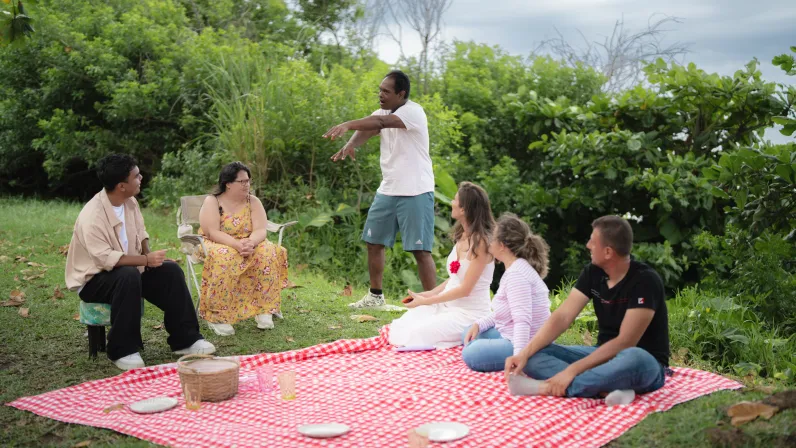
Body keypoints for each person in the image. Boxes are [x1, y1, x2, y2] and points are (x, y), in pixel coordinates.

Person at [65, 154, 215, 371]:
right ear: (121, 185)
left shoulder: (129, 201)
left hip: (129, 270)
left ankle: (186, 340)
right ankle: (122, 349)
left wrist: (149, 257)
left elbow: (140, 232)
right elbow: (105, 259)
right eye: (136, 176)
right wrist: (145, 260)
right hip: (93, 279)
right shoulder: (92, 216)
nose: (141, 178)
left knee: (170, 270)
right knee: (128, 275)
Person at [504, 216, 669, 406]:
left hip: (644, 361)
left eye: (593, 241)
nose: (588, 245)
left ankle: (546, 387)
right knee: (535, 355)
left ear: (608, 252)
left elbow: (625, 342)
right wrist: (524, 353)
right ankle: (611, 388)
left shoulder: (645, 281)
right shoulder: (593, 272)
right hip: (601, 355)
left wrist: (571, 371)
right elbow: (563, 316)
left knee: (635, 357)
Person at [324, 70, 435, 310]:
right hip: (388, 189)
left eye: (386, 91)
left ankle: (434, 305)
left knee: (420, 250)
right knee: (373, 242)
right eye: (380, 90)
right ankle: (375, 297)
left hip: (416, 190)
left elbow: (381, 124)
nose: (380, 95)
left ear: (401, 94)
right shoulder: (381, 112)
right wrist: (351, 144)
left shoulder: (413, 112)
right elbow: (370, 128)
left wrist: (346, 124)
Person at [388, 182, 495, 348]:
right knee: (400, 327)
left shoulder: (481, 244)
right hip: (447, 307)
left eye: (455, 200)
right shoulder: (462, 236)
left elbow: (465, 289)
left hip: (469, 315)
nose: (452, 202)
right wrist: (428, 295)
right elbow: (454, 279)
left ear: (464, 209)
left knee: (415, 335)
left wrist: (427, 301)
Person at [197, 162, 288, 336]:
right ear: (228, 183)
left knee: (269, 252)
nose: (247, 185)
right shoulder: (213, 201)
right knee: (225, 257)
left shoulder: (253, 201)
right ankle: (218, 315)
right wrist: (237, 245)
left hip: (248, 241)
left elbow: (261, 229)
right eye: (242, 182)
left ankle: (264, 309)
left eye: (248, 181)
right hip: (217, 242)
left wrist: (250, 243)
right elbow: (212, 232)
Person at [461, 214, 551, 372]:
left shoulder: (517, 275)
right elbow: (504, 312)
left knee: (471, 354)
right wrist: (479, 324)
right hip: (510, 333)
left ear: (502, 245)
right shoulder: (515, 268)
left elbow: (523, 321)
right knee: (468, 331)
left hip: (526, 342)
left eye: (493, 238)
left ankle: (525, 356)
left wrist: (519, 358)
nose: (490, 241)